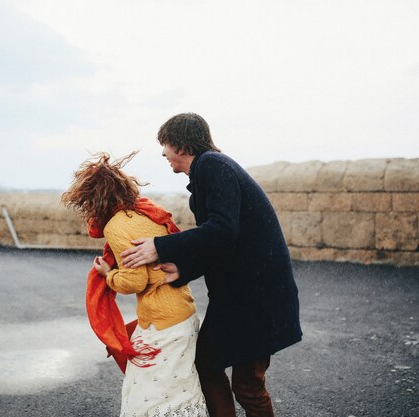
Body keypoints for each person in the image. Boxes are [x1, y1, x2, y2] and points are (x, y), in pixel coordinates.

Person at [121, 113, 303, 417]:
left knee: (246, 384)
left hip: (256, 297)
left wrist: (160, 246)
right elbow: (222, 241)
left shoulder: (211, 165)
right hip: (246, 296)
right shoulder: (209, 170)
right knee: (210, 363)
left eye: (164, 145)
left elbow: (222, 229)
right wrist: (185, 269)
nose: (163, 153)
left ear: (179, 144)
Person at [61, 151, 208, 417]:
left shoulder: (116, 228)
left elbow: (135, 280)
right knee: (180, 389)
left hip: (161, 322)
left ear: (93, 200)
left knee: (146, 397)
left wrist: (108, 274)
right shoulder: (145, 212)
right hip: (183, 312)